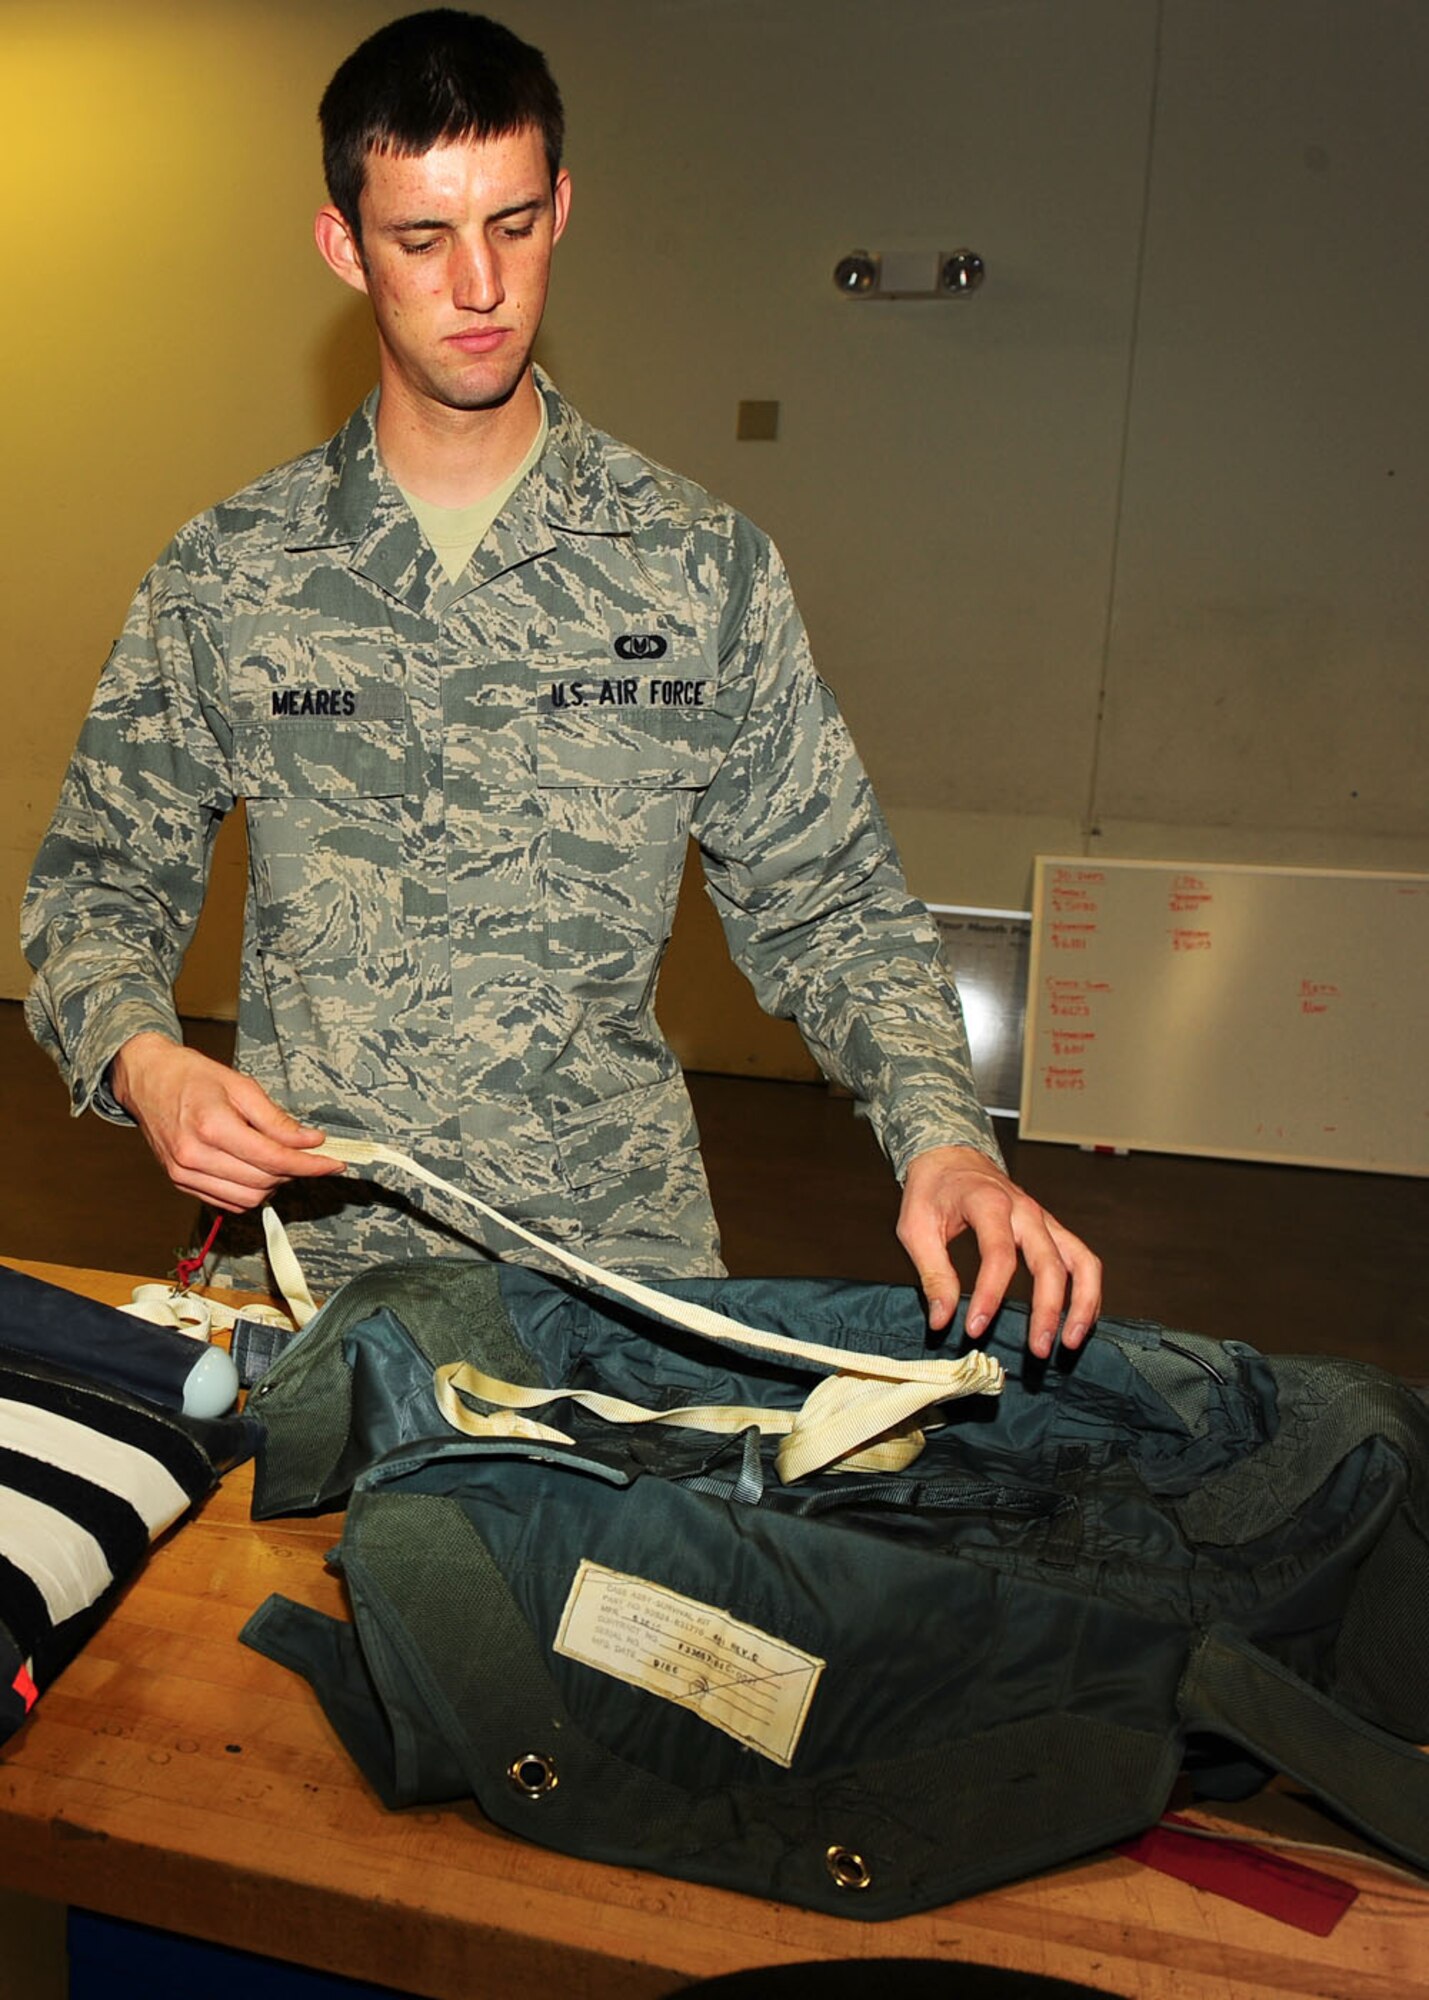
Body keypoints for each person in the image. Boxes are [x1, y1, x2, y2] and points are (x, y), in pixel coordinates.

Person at [21, 9, 1100, 1356]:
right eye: (421, 239)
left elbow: (835, 912)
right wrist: (149, 1062)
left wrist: (948, 1144)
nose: (477, 285)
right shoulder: (233, 576)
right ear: (343, 246)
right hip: (308, 1289)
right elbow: (95, 886)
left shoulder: (696, 568)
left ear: (562, 209)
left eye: (513, 226)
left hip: (615, 1290)